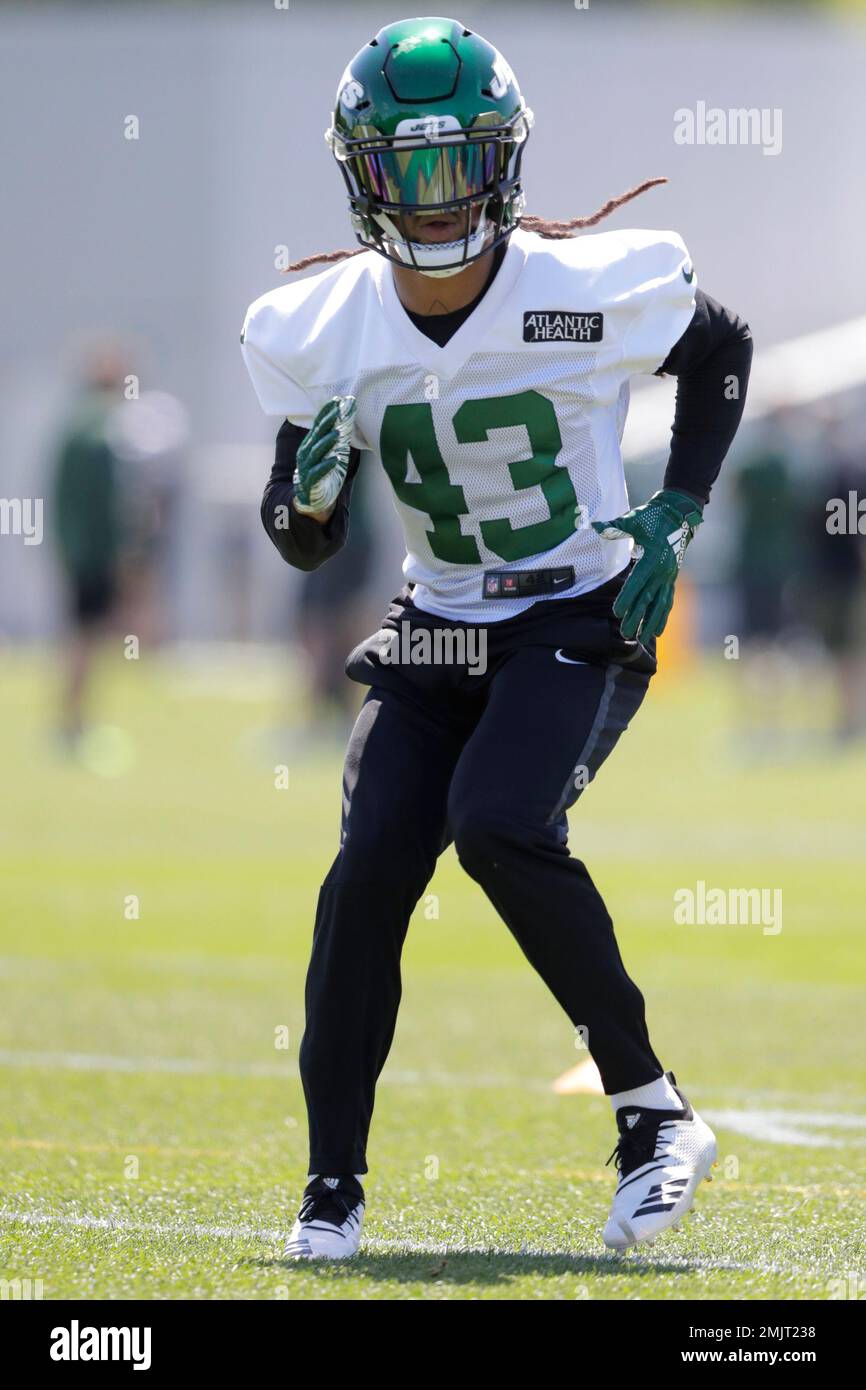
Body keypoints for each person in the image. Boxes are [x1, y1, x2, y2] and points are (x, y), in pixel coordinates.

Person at [240, 16, 752, 1258]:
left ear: (503, 163)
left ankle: (651, 1116)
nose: (432, 197)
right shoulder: (315, 327)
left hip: (576, 603)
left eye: (455, 163)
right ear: (360, 177)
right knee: (366, 874)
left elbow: (719, 351)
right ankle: (331, 1190)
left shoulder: (582, 286)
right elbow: (298, 537)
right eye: (405, 169)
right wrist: (304, 504)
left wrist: (679, 508)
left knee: (498, 824)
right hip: (437, 621)